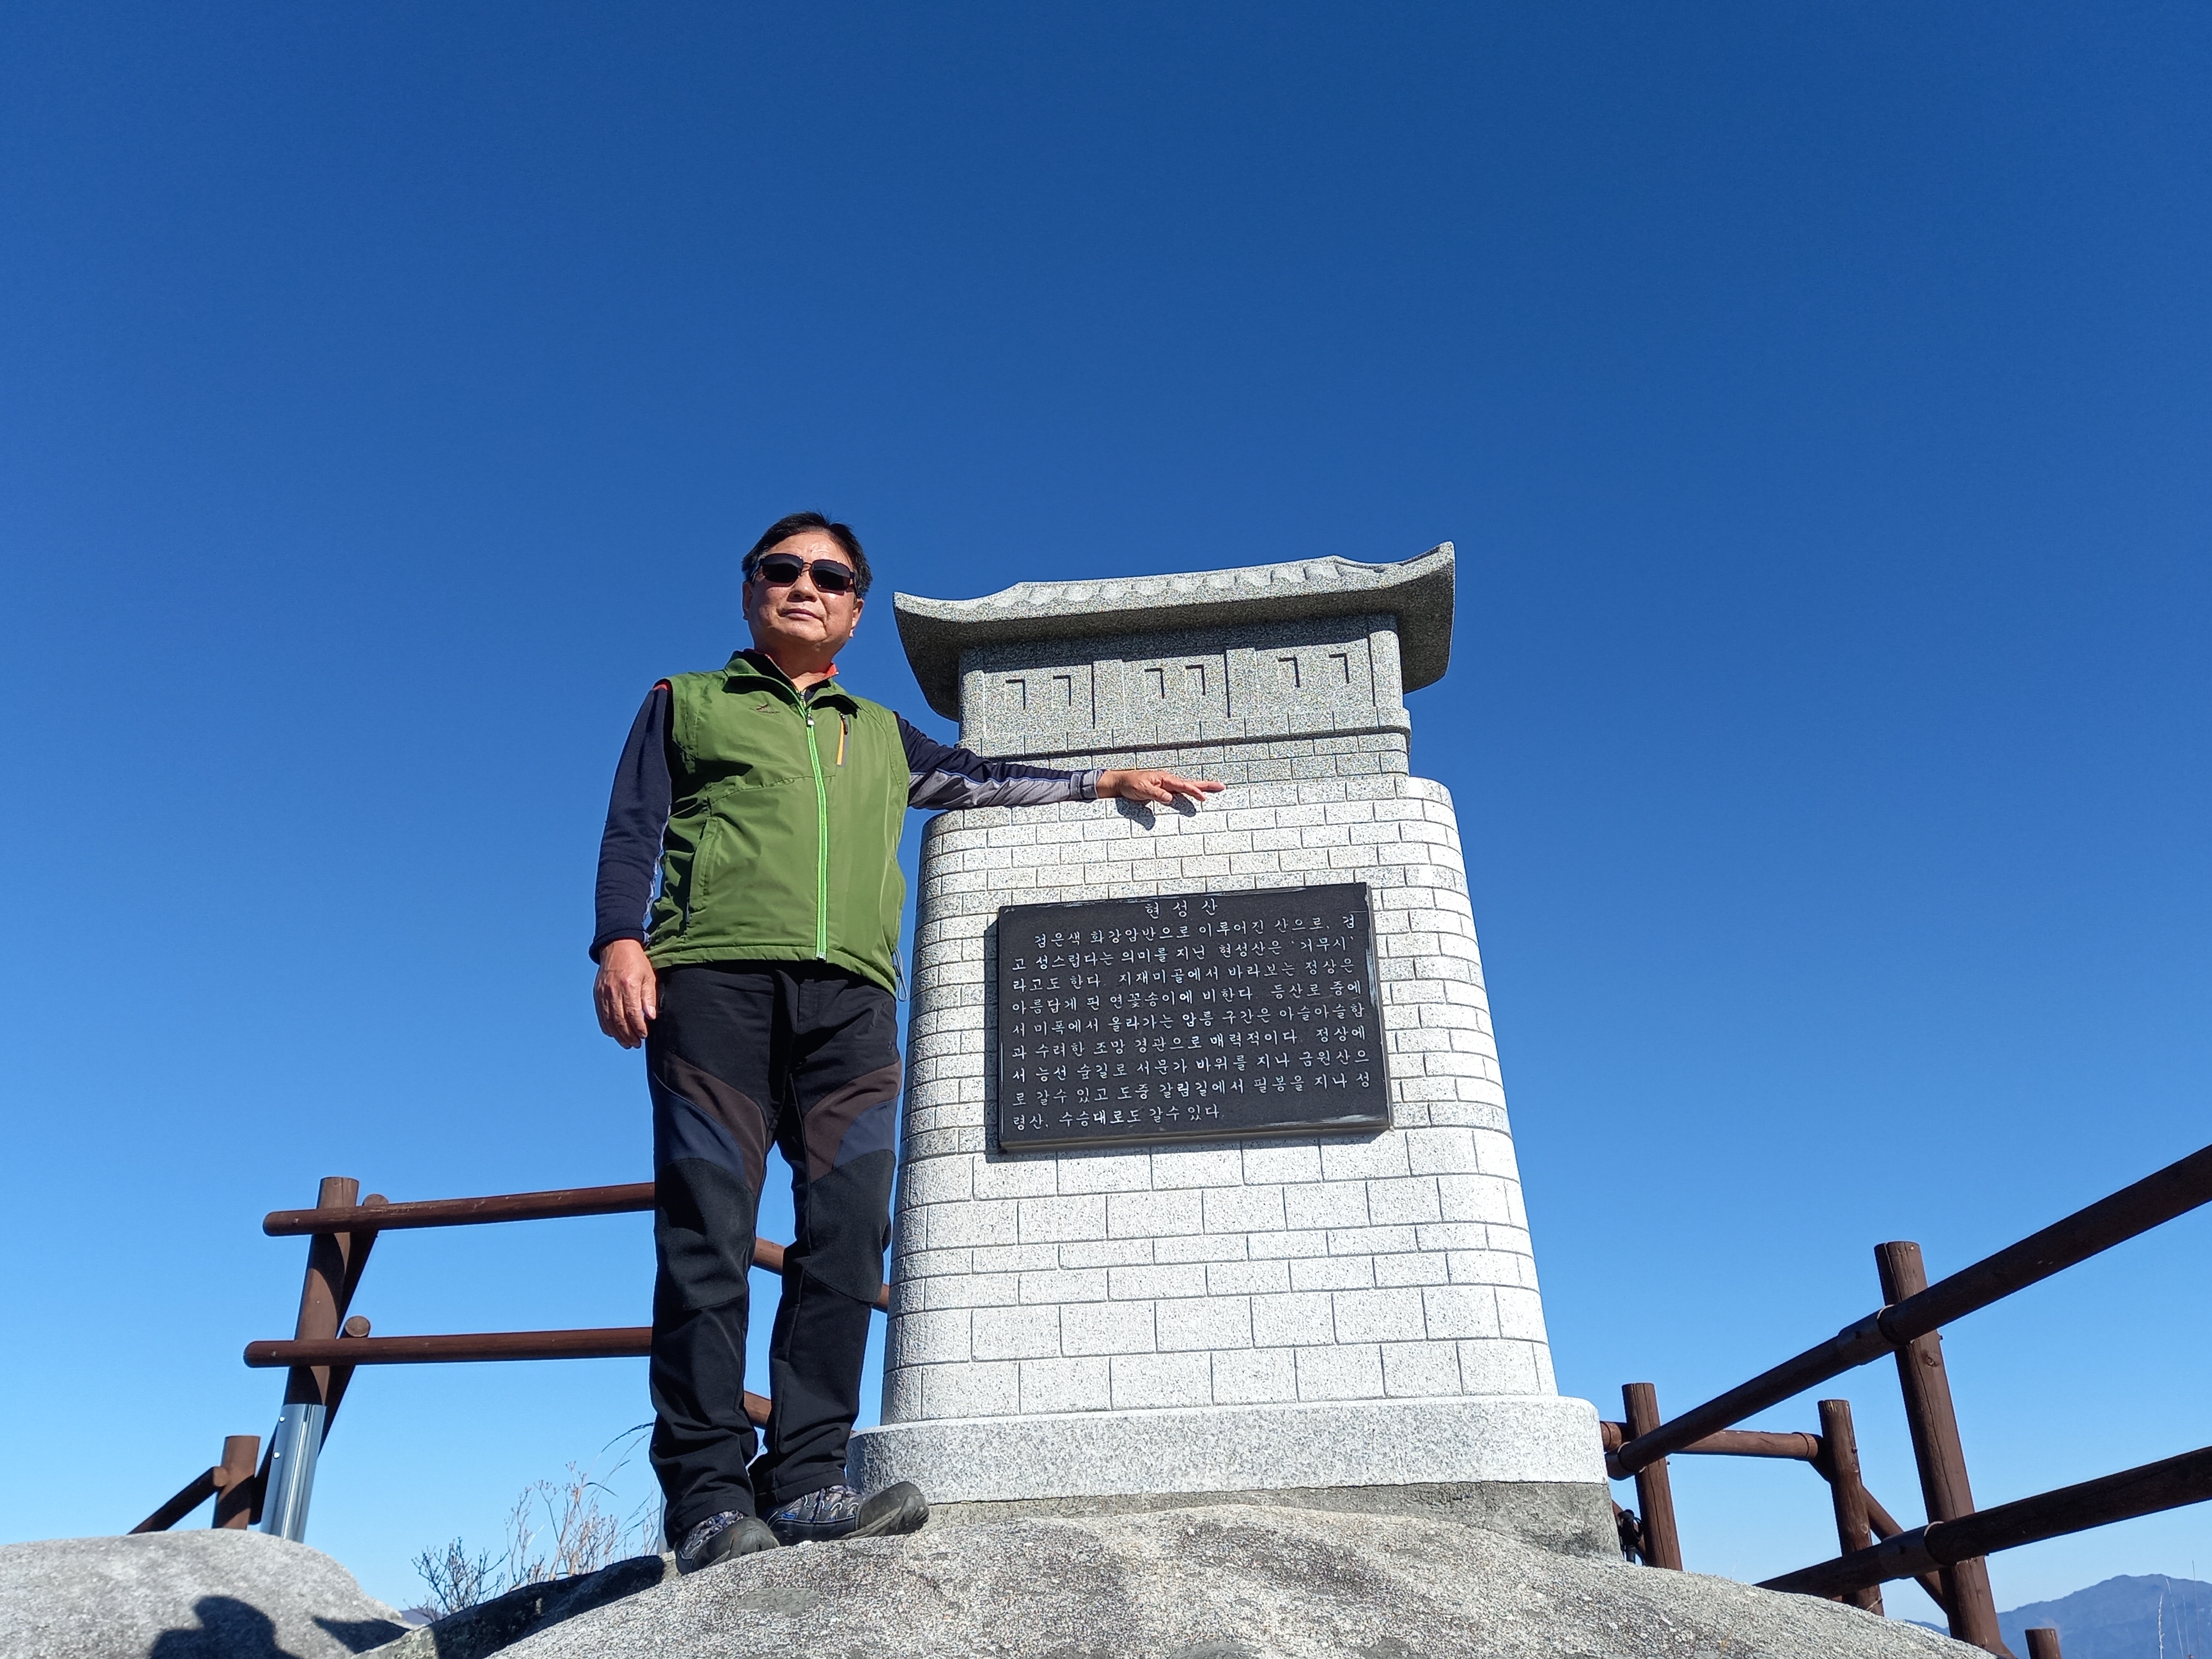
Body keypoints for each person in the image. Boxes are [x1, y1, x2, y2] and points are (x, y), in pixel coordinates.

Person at [590, 512, 1222, 1573]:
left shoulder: (880, 731)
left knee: (848, 1234)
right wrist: (619, 941)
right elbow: (631, 828)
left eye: (830, 577)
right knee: (708, 1234)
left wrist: (1099, 781)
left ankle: (806, 1480)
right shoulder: (685, 702)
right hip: (712, 988)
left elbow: (980, 776)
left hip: (853, 1004)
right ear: (750, 590)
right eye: (783, 569)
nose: (805, 585)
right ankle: (706, 1498)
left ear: (854, 609)